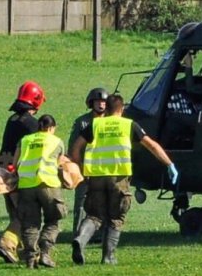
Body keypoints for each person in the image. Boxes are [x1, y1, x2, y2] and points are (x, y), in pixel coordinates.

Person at [70, 94, 179, 265]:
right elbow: (151, 145)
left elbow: (76, 149)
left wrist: (82, 170)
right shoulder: (128, 125)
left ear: (106, 109)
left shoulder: (95, 124)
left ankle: (81, 240)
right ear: (122, 109)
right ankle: (108, 257)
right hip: (118, 177)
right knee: (116, 217)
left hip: (96, 175)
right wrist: (169, 164)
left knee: (94, 215)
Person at [0, 80, 46, 264]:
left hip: (3, 169)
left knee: (15, 211)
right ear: (37, 100)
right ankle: (7, 243)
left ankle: (24, 251)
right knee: (25, 213)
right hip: (17, 172)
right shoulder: (32, 123)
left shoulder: (13, 119)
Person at [14, 114, 65, 269]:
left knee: (30, 223)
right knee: (53, 219)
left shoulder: (25, 140)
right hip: (48, 184)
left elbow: (15, 163)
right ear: (51, 128)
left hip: (26, 186)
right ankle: (45, 253)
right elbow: (59, 164)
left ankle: (30, 258)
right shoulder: (56, 141)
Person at [67, 87, 109, 246]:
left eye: (104, 102)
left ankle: (100, 233)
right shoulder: (82, 122)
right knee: (81, 202)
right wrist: (79, 167)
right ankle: (78, 233)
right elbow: (73, 147)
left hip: (103, 168)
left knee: (104, 202)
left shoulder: (110, 122)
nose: (101, 105)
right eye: (98, 101)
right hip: (84, 168)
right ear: (91, 103)